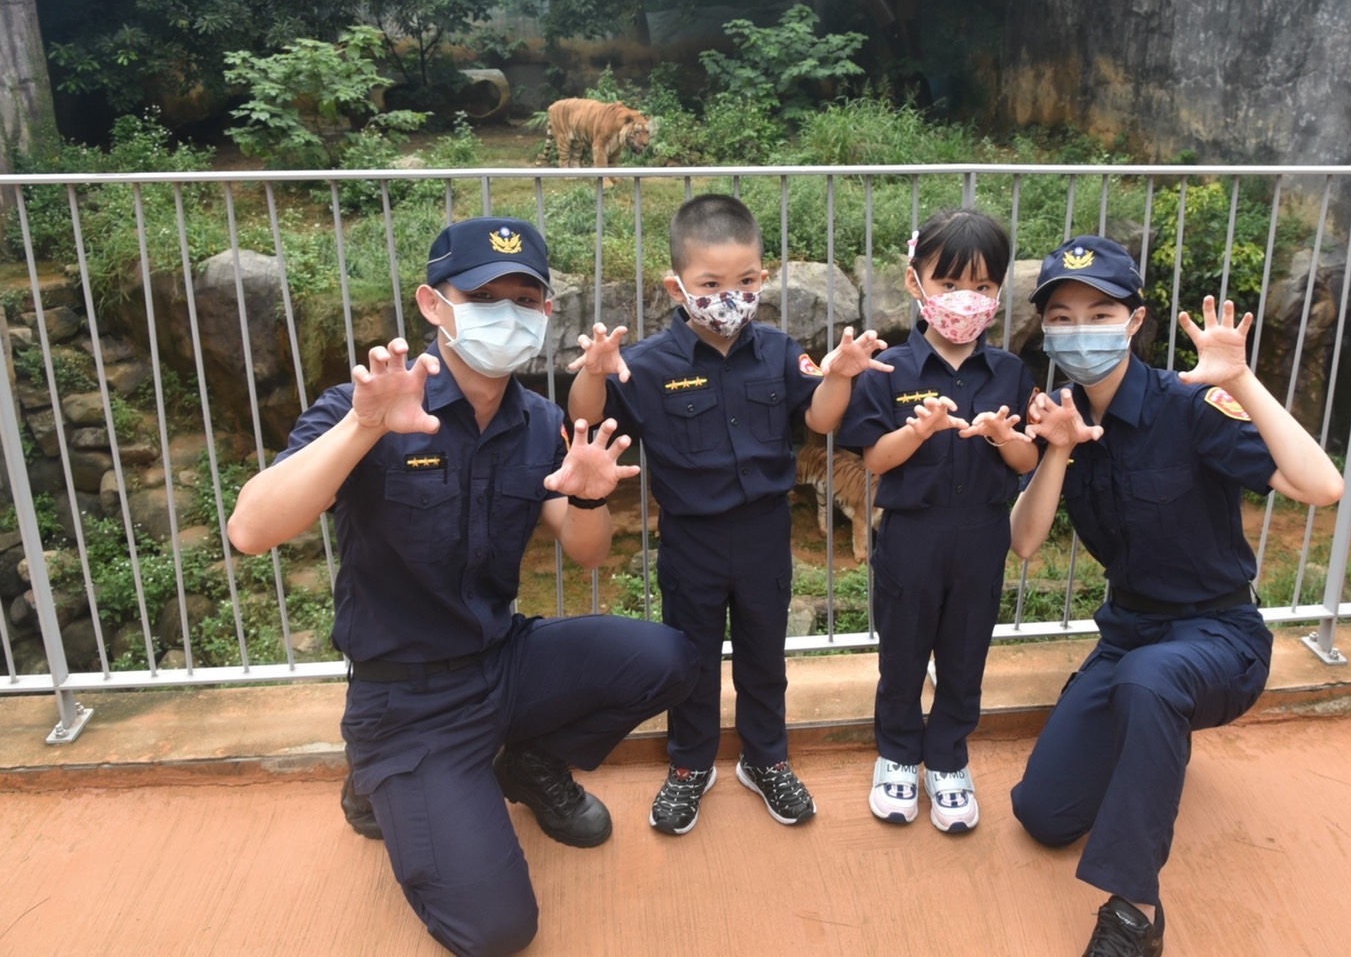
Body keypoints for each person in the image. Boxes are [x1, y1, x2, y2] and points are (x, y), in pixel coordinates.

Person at [226, 216, 699, 957]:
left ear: (546, 313)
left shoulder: (540, 421)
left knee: (672, 659)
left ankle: (522, 755)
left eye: (525, 298)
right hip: (406, 698)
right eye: (483, 294)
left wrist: (586, 497)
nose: (505, 312)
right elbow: (251, 529)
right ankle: (378, 780)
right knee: (497, 930)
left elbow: (587, 556)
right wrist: (364, 430)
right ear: (432, 304)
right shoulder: (371, 406)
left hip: (500, 660)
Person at [1009, 235, 1344, 957]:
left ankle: (1132, 911)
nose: (1079, 330)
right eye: (1061, 317)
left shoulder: (1189, 406)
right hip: (1129, 634)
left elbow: (1322, 487)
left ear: (1135, 321)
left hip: (1217, 637)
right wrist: (1059, 451)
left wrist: (1244, 381)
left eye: (1099, 312)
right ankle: (1136, 722)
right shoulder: (1062, 415)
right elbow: (1026, 541)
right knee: (1042, 815)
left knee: (1152, 681)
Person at [565, 193, 890, 836]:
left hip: (766, 531)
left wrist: (841, 378)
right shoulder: (651, 364)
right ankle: (691, 764)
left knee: (765, 654)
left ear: (761, 279)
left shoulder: (777, 350)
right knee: (691, 656)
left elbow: (820, 421)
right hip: (692, 538)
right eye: (710, 284)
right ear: (677, 285)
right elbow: (587, 416)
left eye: (744, 282)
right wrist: (596, 373)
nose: (728, 297)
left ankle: (765, 757)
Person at [837, 208, 1041, 833]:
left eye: (982, 288)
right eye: (950, 283)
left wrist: (1007, 438)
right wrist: (917, 431)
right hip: (910, 538)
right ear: (914, 282)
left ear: (999, 294)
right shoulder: (890, 370)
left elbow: (1029, 458)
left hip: (982, 537)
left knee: (965, 654)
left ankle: (949, 757)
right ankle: (898, 753)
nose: (967, 300)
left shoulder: (1009, 371)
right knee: (901, 654)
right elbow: (875, 459)